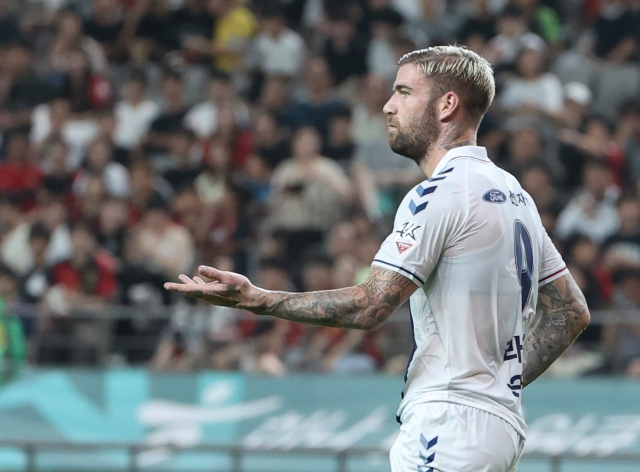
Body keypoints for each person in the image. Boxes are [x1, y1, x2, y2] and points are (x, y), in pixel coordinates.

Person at [165, 46, 591, 472]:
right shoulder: (515, 195)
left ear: (447, 105)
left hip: (448, 423)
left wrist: (260, 300)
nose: (388, 106)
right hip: (497, 425)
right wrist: (500, 386)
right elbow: (571, 311)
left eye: (404, 92)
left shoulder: (440, 193)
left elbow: (371, 303)